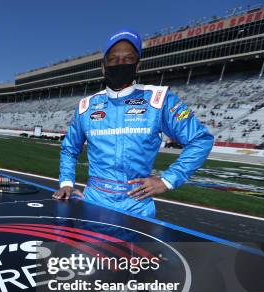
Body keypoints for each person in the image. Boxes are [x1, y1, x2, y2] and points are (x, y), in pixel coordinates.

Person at [53, 29, 214, 218]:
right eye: (113, 59)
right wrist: (66, 183)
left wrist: (167, 181)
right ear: (103, 66)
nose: (120, 64)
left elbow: (200, 140)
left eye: (128, 59)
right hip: (93, 203)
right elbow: (69, 149)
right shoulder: (86, 106)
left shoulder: (159, 99)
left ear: (137, 66)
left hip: (137, 208)